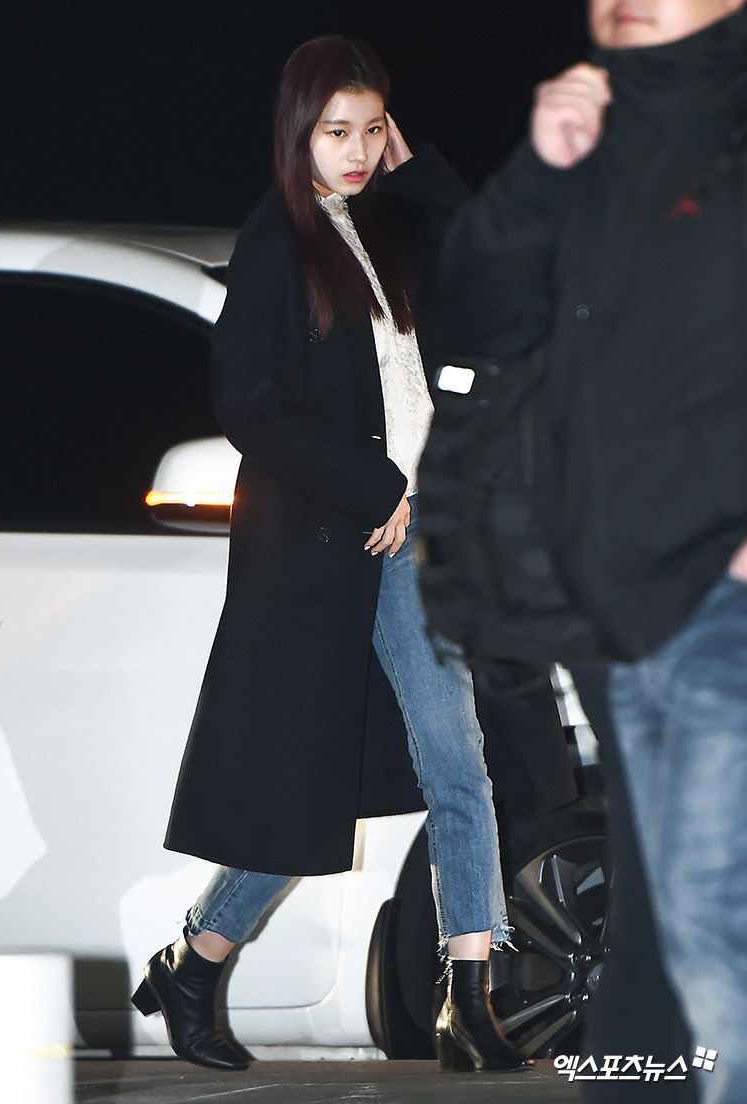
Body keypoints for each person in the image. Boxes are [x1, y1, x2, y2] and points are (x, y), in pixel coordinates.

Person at [130, 35, 528, 1075]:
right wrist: (375, 486)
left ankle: (469, 1001)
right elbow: (250, 405)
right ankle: (196, 960)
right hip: (323, 549)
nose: (353, 151)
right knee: (303, 788)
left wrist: (414, 171)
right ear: (296, 132)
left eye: (369, 130)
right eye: (334, 131)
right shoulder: (277, 240)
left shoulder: (388, 228)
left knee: (458, 763)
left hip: (412, 543)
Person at [431, 3, 747, 1102]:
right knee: (658, 947)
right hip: (611, 611)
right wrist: (538, 173)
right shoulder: (600, 133)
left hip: (720, 599)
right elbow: (473, 321)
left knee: (714, 947)